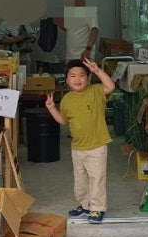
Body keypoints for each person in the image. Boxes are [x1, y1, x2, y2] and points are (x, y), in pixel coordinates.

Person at [44, 56, 115, 224]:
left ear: (88, 78)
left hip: (97, 146)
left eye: (82, 75)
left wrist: (98, 70)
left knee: (96, 179)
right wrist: (52, 109)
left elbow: (110, 86)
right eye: (73, 76)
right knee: (80, 181)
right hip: (77, 148)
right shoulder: (66, 100)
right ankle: (85, 205)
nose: (77, 79)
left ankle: (97, 208)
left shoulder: (96, 91)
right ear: (66, 80)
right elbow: (63, 121)